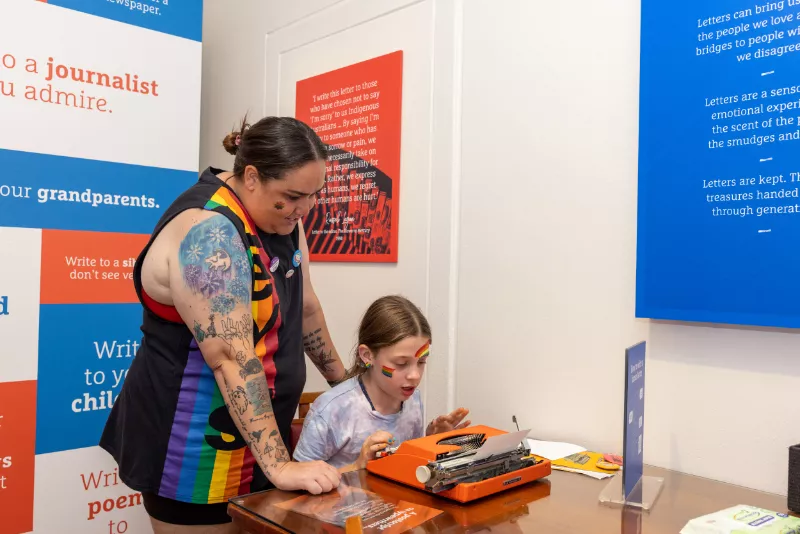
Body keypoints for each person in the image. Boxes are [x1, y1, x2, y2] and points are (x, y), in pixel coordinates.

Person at [100, 116, 350, 533]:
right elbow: (231, 357)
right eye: (291, 197)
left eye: (313, 196)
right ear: (250, 176)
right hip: (194, 446)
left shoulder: (286, 219)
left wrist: (344, 388)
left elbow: (305, 308)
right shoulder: (209, 230)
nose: (304, 209)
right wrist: (280, 466)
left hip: (261, 439)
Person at [292, 295, 471, 472]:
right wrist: (358, 466)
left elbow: (406, 466)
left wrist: (431, 441)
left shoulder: (412, 400)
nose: (415, 376)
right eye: (401, 364)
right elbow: (298, 485)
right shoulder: (331, 410)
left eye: (421, 362)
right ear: (368, 356)